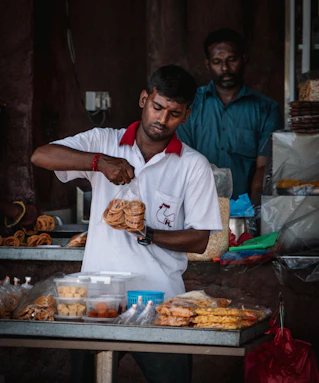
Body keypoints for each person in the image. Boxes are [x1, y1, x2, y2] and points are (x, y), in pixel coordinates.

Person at [31, 64, 222, 383]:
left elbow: (199, 239)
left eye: (174, 113)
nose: (162, 119)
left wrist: (148, 233)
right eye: (157, 107)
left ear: (186, 115)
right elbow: (41, 155)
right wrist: (98, 162)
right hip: (97, 300)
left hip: (161, 304)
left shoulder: (193, 166)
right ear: (144, 99)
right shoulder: (104, 141)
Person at [177, 28, 283, 201]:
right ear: (207, 64)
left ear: (244, 59)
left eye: (231, 60)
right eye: (217, 61)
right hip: (195, 204)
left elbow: (263, 168)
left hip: (244, 208)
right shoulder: (191, 105)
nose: (225, 68)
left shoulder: (266, 109)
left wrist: (254, 212)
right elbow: (182, 160)